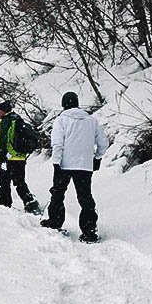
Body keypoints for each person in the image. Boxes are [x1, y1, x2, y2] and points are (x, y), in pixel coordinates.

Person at [40, 91, 109, 242]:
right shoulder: (91, 121)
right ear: (77, 103)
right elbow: (104, 143)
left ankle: (54, 222)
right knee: (85, 198)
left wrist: (56, 162)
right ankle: (89, 231)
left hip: (64, 165)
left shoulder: (61, 120)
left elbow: (58, 144)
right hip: (84, 165)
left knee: (58, 194)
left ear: (64, 104)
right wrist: (97, 158)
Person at [0, 101, 41, 214]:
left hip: (9, 157)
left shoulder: (6, 121)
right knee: (19, 182)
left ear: (3, 111)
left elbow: (3, 139)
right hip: (20, 158)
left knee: (4, 181)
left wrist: (1, 155)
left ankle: (4, 202)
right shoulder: (19, 120)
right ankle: (29, 202)